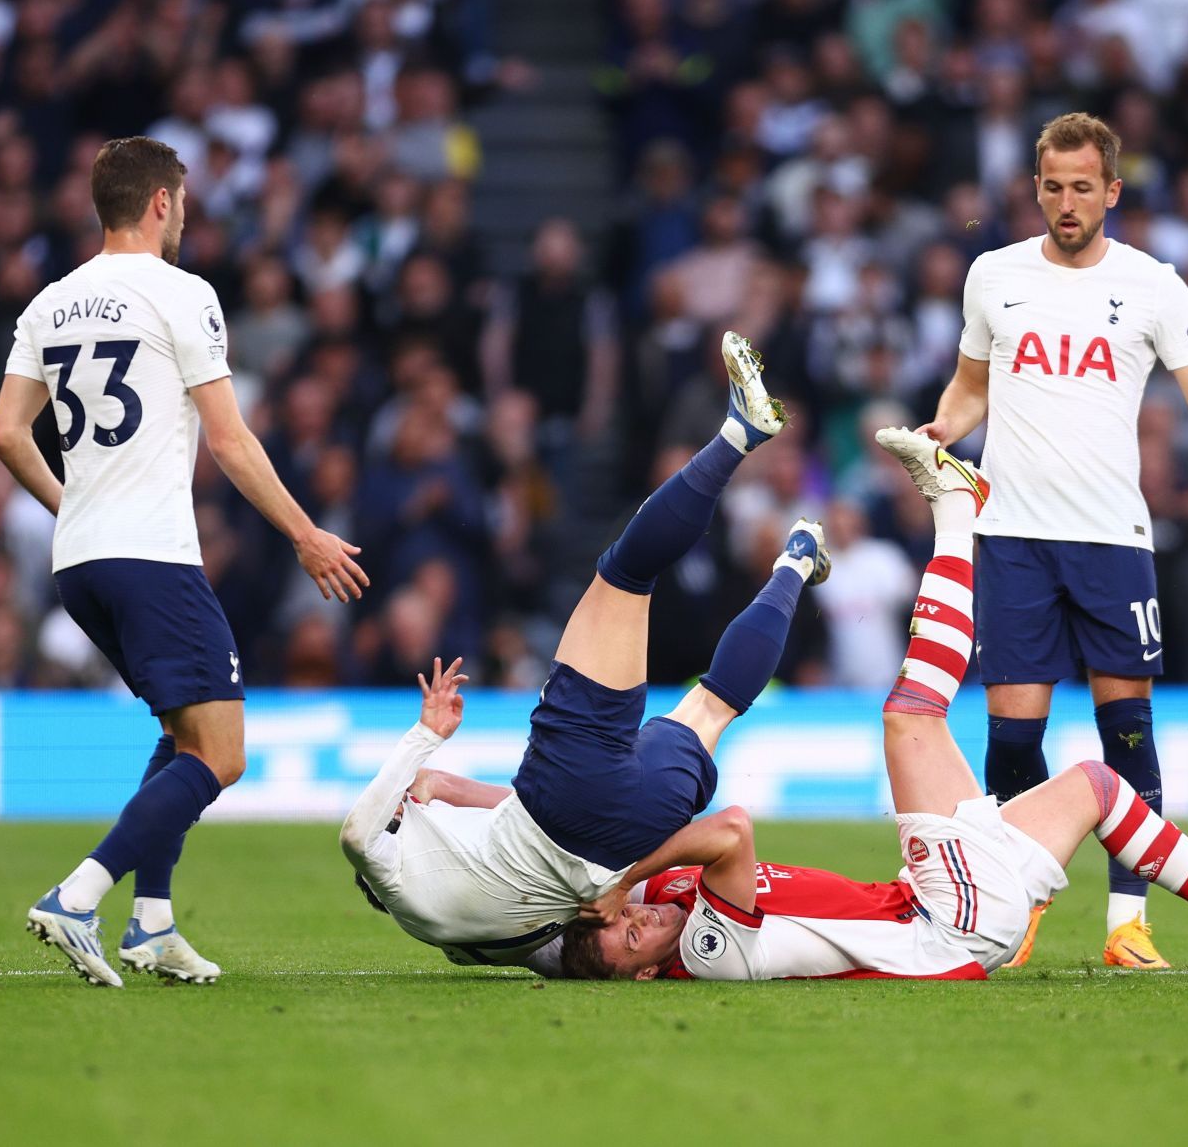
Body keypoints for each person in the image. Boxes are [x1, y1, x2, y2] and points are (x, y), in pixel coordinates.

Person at [553, 430, 1188, 982]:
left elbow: (547, 906)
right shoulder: (706, 947)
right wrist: (624, 879)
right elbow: (730, 829)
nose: (640, 923)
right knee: (908, 716)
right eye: (633, 940)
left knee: (1097, 787)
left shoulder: (660, 905)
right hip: (945, 926)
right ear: (651, 968)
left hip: (935, 905)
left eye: (626, 923)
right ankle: (958, 507)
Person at [0, 137, 369, 987]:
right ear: (161, 202)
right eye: (185, 203)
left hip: (80, 561)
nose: (186, 217)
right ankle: (79, 893)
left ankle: (152, 922)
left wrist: (70, 509)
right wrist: (306, 532)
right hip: (152, 553)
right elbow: (230, 440)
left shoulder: (51, 302)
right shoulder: (182, 292)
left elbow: (6, 434)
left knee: (181, 732)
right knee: (224, 752)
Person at [917, 111, 1188, 970]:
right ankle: (1020, 909)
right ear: (1036, 188)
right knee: (1013, 739)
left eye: (1084, 186)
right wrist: (937, 432)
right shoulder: (993, 276)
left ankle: (1129, 923)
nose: (1068, 202)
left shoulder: (1154, 285)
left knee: (1128, 735)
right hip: (1009, 536)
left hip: (1112, 541)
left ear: (1113, 191)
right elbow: (972, 392)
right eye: (1053, 186)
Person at [340, 333, 832, 965]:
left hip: (627, 835)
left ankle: (796, 561)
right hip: (565, 788)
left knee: (711, 706)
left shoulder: (466, 945)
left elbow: (510, 841)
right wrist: (425, 738)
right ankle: (739, 433)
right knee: (627, 572)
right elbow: (359, 832)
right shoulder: (392, 866)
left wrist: (437, 784)